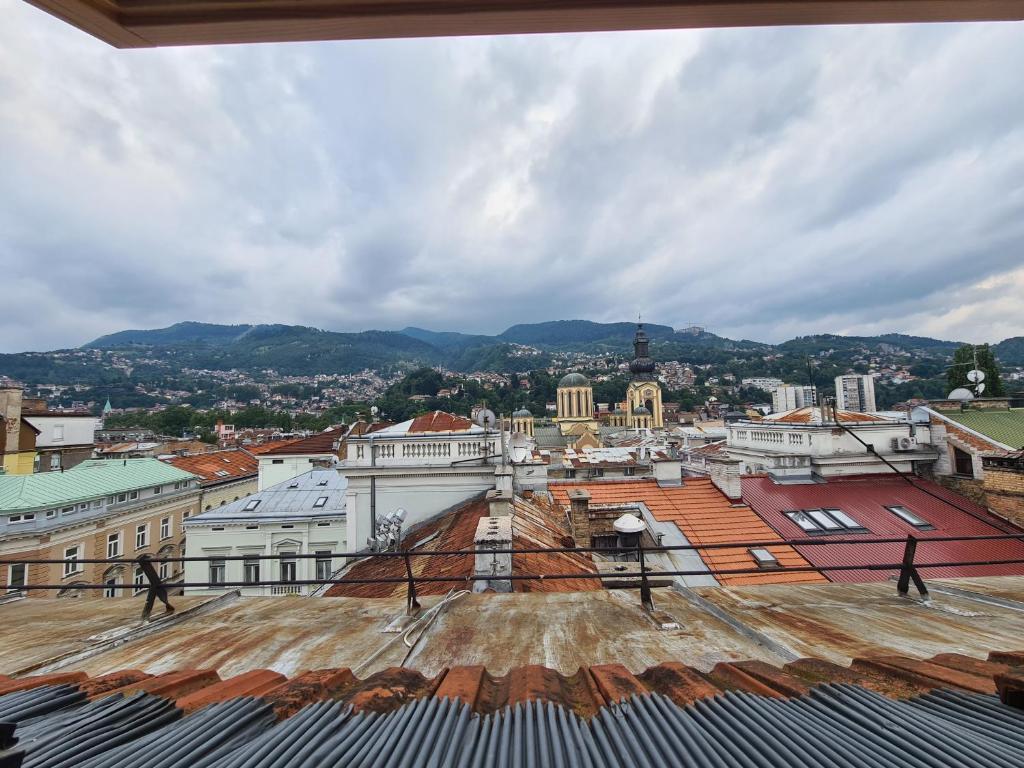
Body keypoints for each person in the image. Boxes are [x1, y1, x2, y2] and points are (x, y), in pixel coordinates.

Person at [137, 553, 175, 622]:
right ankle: (147, 612)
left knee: (155, 584)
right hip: (153, 577)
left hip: (151, 575)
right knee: (155, 584)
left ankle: (146, 613)